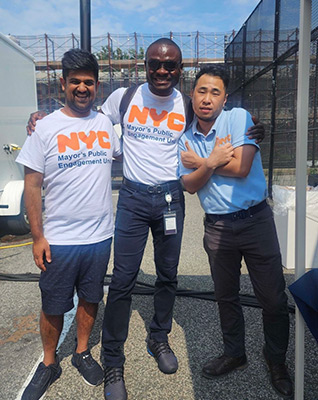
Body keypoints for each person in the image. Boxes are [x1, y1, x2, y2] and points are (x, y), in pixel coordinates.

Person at [27, 38, 265, 400]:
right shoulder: (123, 98)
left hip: (170, 198)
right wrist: (41, 116)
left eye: (170, 66)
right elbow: (82, 116)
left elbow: (219, 115)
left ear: (179, 70)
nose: (162, 71)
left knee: (167, 275)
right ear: (145, 65)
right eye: (155, 63)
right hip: (134, 200)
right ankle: (113, 361)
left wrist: (254, 128)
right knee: (122, 280)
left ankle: (159, 338)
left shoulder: (186, 104)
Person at [178, 65, 293, 399]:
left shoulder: (239, 117)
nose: (208, 98)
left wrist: (201, 163)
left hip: (256, 220)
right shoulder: (185, 137)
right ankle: (234, 352)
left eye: (215, 92)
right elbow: (188, 186)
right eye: (202, 90)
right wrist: (211, 161)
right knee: (225, 295)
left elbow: (243, 168)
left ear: (225, 98)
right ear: (192, 94)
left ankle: (276, 361)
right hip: (217, 226)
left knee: (272, 297)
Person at [16, 48, 121, 400]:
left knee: (91, 299)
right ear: (62, 83)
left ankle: (81, 352)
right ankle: (49, 363)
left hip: (99, 236)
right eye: (74, 81)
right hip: (58, 240)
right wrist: (37, 236)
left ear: (97, 86)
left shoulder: (106, 123)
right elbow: (32, 184)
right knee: (53, 304)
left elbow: (144, 145)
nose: (81, 88)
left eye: (88, 82)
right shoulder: (44, 127)